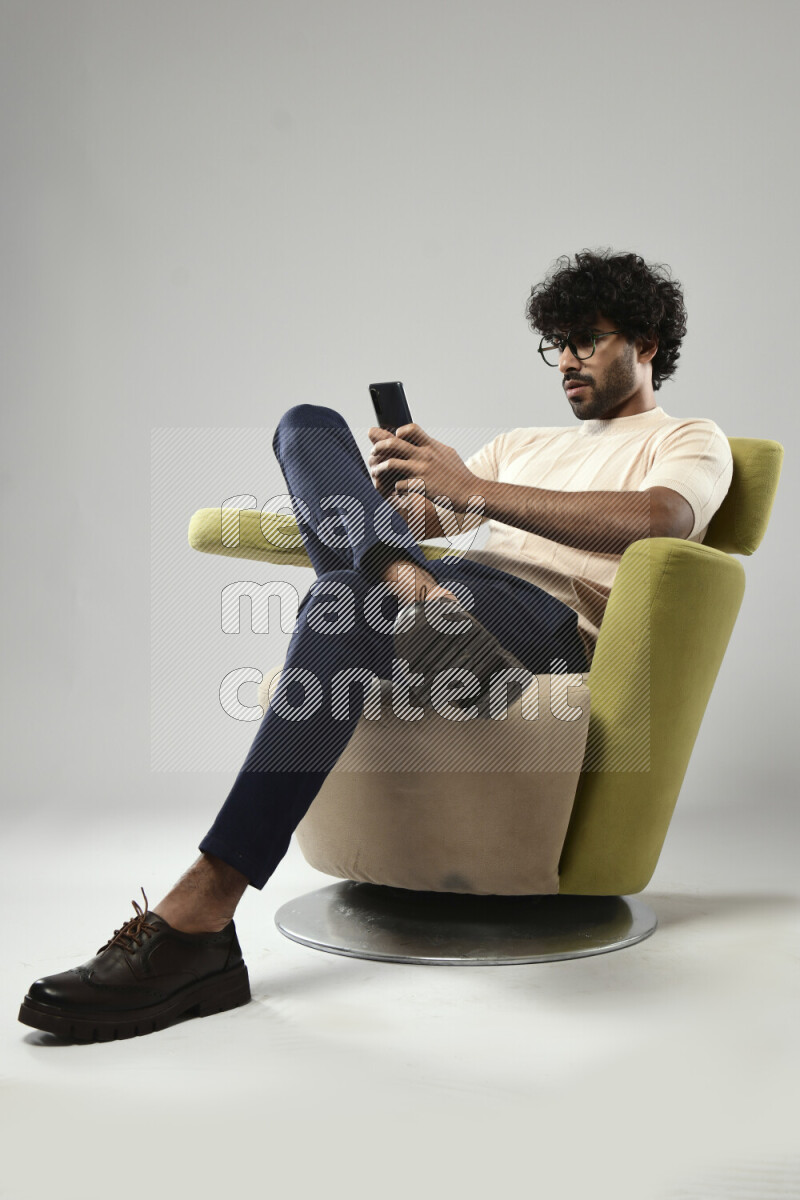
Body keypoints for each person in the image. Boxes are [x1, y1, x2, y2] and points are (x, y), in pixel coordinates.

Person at [18, 248, 733, 1041]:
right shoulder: (520, 444)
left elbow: (660, 520)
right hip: (449, 599)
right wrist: (393, 503)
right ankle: (404, 588)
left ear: (648, 343)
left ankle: (199, 917)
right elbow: (433, 519)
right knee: (309, 435)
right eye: (555, 343)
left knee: (347, 595)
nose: (565, 360)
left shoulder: (691, 439)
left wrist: (476, 491)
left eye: (587, 340)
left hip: (547, 627)